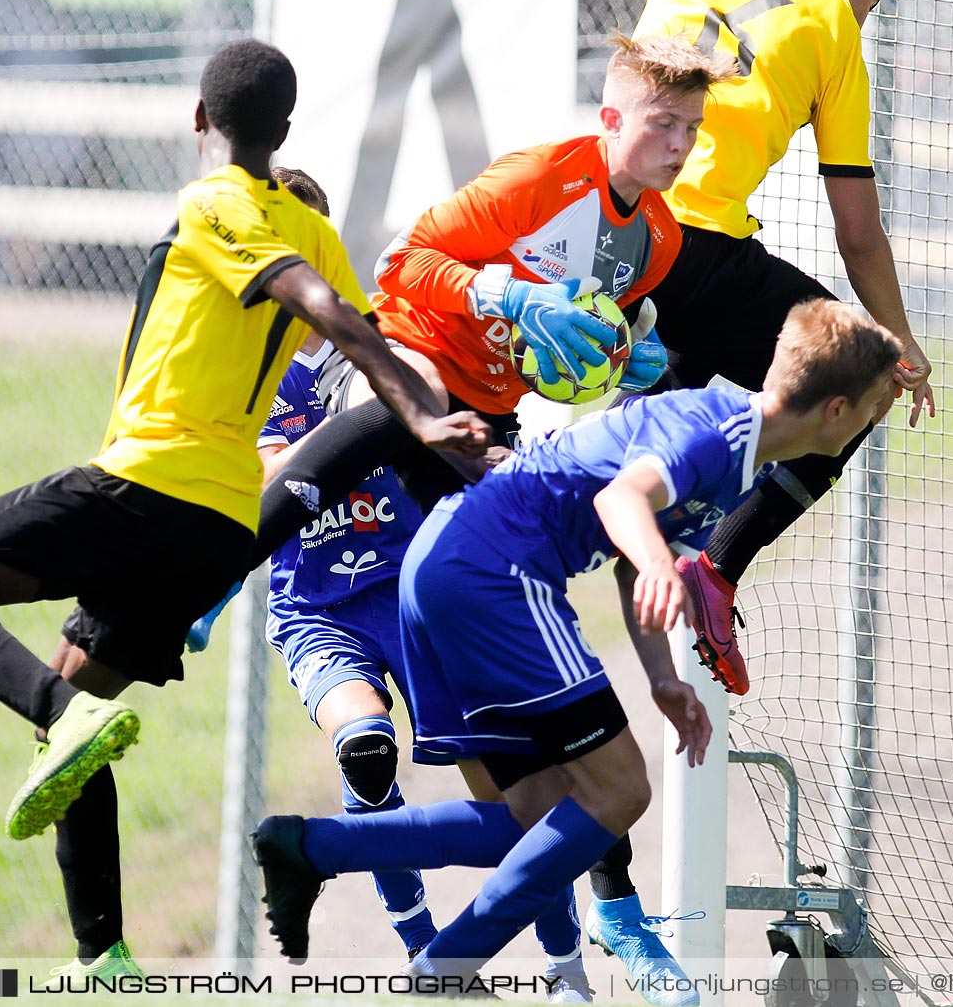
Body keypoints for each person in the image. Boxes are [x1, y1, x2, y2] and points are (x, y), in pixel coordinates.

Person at [0, 41, 490, 979]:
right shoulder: (316, 231)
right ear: (288, 129)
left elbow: (334, 317)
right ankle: (103, 958)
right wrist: (425, 411)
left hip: (147, 481)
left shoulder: (214, 202)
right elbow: (367, 337)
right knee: (74, 699)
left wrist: (427, 419)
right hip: (219, 526)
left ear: (198, 118)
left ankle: (57, 714)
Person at [253, 300, 903, 988]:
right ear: (836, 411)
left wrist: (660, 674)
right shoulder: (717, 434)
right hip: (492, 572)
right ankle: (443, 968)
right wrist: (660, 563)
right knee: (620, 789)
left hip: (448, 564)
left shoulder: (737, 451)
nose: (870, 425)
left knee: (539, 825)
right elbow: (622, 503)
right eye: (870, 413)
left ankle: (311, 846)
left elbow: (630, 564)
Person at [199, 167, 699, 1004]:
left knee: (527, 789)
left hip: (413, 587)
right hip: (320, 604)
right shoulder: (252, 371)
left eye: (310, 243)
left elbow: (488, 409)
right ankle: (423, 946)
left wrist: (610, 364)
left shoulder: (379, 338)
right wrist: (358, 426)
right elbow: (270, 481)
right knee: (366, 752)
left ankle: (566, 963)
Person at [559, 0, 937, 696]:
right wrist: (901, 341)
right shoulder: (833, 21)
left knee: (650, 437)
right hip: (696, 248)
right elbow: (857, 227)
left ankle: (630, 551)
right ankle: (716, 563)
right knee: (853, 378)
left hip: (599, 235)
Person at [250, 33, 735, 563]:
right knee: (425, 388)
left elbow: (572, 338)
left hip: (484, 412)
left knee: (495, 559)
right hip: (398, 354)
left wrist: (621, 358)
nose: (681, 146)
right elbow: (397, 262)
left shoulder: (658, 239)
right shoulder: (539, 178)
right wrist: (515, 297)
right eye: (664, 124)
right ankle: (223, 570)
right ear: (612, 119)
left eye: (692, 128)